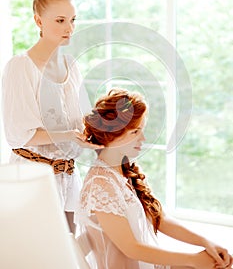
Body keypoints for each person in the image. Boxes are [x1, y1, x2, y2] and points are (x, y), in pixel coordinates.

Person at [75, 88, 232, 268]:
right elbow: (132, 249)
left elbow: (161, 219)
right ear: (111, 135)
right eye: (135, 132)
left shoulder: (125, 170)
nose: (143, 138)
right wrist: (193, 260)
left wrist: (206, 242)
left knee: (219, 263)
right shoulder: (100, 184)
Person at [1, 0, 103, 234]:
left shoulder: (71, 65)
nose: (69, 28)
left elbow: (81, 119)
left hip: (68, 176)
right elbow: (19, 136)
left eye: (72, 20)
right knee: (39, 254)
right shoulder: (20, 67)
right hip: (32, 178)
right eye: (60, 20)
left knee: (70, 249)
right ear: (38, 21)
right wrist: (68, 136)